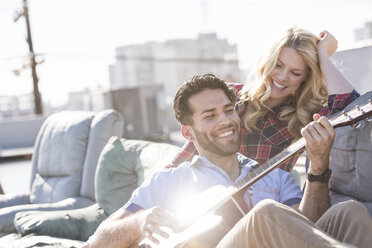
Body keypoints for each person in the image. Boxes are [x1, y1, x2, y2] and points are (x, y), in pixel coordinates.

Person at [86, 74, 372, 248]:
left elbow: (308, 229)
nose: (226, 121)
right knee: (265, 213)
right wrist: (139, 223)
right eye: (210, 115)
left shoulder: (274, 175)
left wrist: (319, 165)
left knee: (350, 212)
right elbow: (96, 243)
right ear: (188, 132)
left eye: (228, 110)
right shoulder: (170, 180)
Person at [169, 27, 359, 172]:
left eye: (295, 72)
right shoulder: (229, 96)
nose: (283, 76)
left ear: (305, 78)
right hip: (211, 198)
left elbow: (352, 106)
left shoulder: (306, 116)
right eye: (278, 65)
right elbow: (189, 150)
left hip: (264, 208)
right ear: (267, 61)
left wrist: (323, 55)